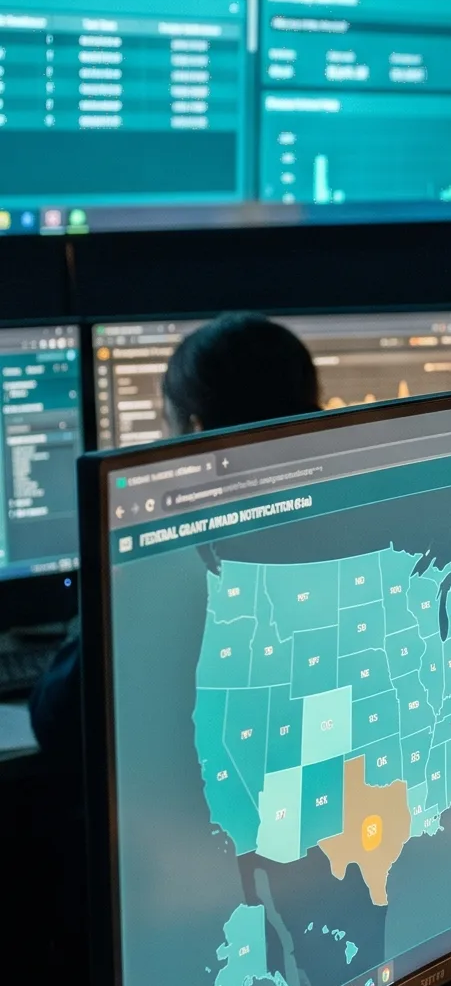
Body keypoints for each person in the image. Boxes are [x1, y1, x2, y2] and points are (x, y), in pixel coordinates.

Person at [28, 313, 321, 771]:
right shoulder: (363, 532)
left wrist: (106, 593)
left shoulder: (169, 562)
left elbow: (57, 723)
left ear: (197, 435)